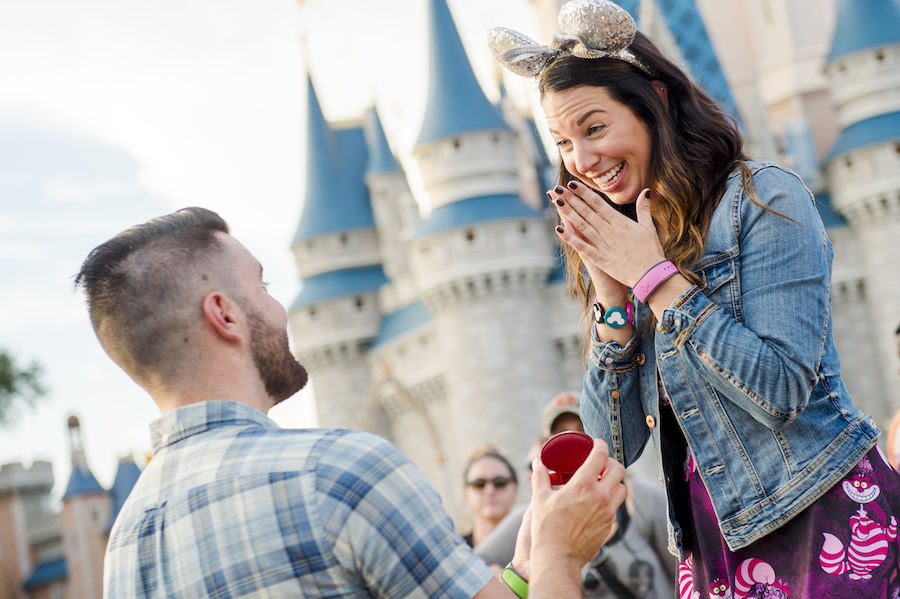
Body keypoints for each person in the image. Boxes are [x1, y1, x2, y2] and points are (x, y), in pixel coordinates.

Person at [490, 0, 900, 596]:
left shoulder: (764, 200)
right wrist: (613, 306)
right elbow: (617, 448)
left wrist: (654, 278)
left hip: (826, 525)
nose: (581, 160)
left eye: (595, 127)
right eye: (562, 141)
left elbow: (781, 389)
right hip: (713, 556)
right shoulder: (633, 246)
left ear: (655, 100)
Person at [75, 207, 628, 599]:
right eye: (263, 288)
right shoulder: (339, 471)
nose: (283, 310)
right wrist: (561, 555)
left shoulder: (126, 547)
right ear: (224, 315)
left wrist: (522, 572)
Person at [476, 392, 676, 598]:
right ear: (548, 444)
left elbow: (684, 572)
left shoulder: (644, 499)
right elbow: (475, 568)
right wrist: (523, 576)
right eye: (561, 434)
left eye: (582, 429)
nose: (573, 440)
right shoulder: (536, 515)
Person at [462, 446, 519, 548]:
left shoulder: (536, 546)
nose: (490, 491)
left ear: (515, 489)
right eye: (479, 484)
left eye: (499, 482)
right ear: (466, 494)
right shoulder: (456, 550)